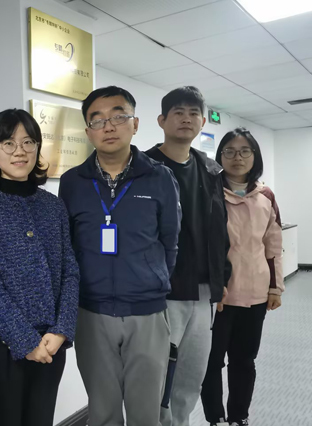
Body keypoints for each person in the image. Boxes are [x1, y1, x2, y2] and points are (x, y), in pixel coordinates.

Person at [59, 86, 181, 426]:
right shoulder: (72, 182)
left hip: (147, 312)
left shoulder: (160, 177)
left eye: (118, 116)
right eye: (97, 120)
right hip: (91, 312)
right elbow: (68, 246)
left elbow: (170, 242)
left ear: (135, 124)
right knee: (102, 412)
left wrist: (150, 280)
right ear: (88, 132)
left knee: (146, 414)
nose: (108, 126)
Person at [0, 109, 79, 426]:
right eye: (8, 143)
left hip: (51, 342)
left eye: (28, 142)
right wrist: (25, 340)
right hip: (2, 344)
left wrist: (61, 329)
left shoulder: (53, 205)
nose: (19, 151)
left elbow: (70, 270)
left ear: (37, 148)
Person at [146, 86, 232, 426]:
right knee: (155, 375)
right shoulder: (143, 167)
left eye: (194, 113)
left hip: (202, 293)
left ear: (202, 122)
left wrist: (221, 278)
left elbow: (220, 229)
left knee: (191, 376)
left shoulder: (210, 170)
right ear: (161, 120)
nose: (187, 119)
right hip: (161, 291)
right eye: (178, 112)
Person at [201, 128, 284, 426]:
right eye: (230, 151)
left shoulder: (266, 195)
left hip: (255, 293)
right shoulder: (208, 192)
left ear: (254, 156)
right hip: (218, 296)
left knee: (244, 360)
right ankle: (215, 418)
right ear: (220, 155)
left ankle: (239, 417)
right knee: (211, 362)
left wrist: (275, 287)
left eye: (245, 151)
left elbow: (273, 244)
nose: (237, 157)